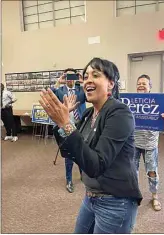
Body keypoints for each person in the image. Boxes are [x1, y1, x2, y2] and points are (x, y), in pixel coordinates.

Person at [39, 58, 142, 234]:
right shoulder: (88, 114)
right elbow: (69, 151)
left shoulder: (119, 113)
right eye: (85, 76)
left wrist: (66, 123)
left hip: (116, 201)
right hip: (90, 196)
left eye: (95, 75)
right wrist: (61, 121)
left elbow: (96, 165)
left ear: (110, 84)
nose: (87, 80)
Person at [134, 74, 164, 211]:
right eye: (139, 83)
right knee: (132, 171)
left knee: (152, 172)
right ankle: (134, 195)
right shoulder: (132, 102)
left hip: (150, 144)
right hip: (134, 143)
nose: (141, 85)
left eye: (144, 83)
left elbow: (163, 128)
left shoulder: (157, 103)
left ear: (150, 87)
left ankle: (154, 196)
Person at [52, 68, 86, 193]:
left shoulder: (81, 90)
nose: (70, 80)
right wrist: (58, 82)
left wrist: (83, 82)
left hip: (81, 125)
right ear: (65, 78)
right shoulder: (60, 91)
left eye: (73, 77)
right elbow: (49, 94)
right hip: (66, 125)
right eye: (68, 77)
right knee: (69, 154)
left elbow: (91, 95)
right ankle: (69, 180)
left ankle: (83, 174)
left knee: (83, 151)